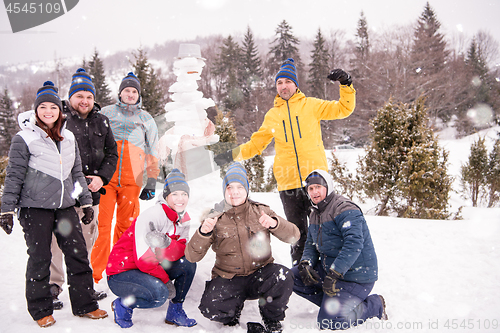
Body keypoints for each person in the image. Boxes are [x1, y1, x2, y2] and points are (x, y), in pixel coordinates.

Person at [214, 58, 356, 265]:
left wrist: (346, 84)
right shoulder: (273, 115)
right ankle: (300, 272)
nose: (283, 86)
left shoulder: (312, 106)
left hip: (315, 182)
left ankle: (329, 270)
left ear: (295, 84)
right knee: (296, 235)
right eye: (279, 83)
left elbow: (344, 109)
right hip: (288, 184)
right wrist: (230, 155)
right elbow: (256, 145)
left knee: (325, 230)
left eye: (287, 82)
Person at [0, 81, 108, 328]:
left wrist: (86, 202)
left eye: (53, 107)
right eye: (43, 107)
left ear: (60, 111)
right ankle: (41, 310)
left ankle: (86, 305)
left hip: (65, 207)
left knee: (78, 254)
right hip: (34, 208)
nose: (48, 111)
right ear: (36, 110)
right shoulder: (23, 139)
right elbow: (14, 175)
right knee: (40, 257)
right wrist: (6, 208)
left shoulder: (68, 137)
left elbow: (77, 172)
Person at [185, 162, 300, 333]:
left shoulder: (261, 211)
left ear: (246, 189)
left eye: (240, 187)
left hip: (260, 275)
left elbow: (294, 236)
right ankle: (232, 313)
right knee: (210, 308)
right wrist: (203, 232)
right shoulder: (214, 217)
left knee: (283, 276)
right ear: (224, 190)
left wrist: (275, 224)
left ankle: (271, 318)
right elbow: (191, 256)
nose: (235, 192)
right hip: (229, 277)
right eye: (230, 187)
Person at [49, 68, 118, 310]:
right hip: (64, 195)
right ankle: (53, 285)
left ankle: (83, 286)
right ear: (71, 97)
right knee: (57, 241)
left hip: (93, 194)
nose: (85, 101)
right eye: (80, 96)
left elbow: (112, 154)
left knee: (87, 241)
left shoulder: (102, 120)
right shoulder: (59, 118)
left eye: (89, 96)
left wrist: (101, 178)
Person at [291, 169, 387, 330]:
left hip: (356, 276)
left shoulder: (344, 209)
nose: (314, 192)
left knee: (329, 323)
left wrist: (335, 272)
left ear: (328, 187)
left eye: (318, 187)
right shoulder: (315, 212)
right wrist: (306, 263)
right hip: (331, 272)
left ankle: (374, 305)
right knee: (292, 277)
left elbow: (354, 243)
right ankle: (332, 304)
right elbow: (310, 244)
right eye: (310, 188)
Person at [91, 72, 160, 284]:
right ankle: (95, 273)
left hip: (132, 181)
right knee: (101, 225)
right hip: (105, 178)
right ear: (120, 93)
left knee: (126, 227)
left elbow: (153, 150)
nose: (130, 94)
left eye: (134, 91)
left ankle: (119, 269)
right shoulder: (106, 112)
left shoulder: (146, 119)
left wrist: (151, 180)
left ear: (138, 95)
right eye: (126, 90)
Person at [106, 169, 197, 328]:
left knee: (187, 264)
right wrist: (166, 281)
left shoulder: (184, 218)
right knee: (159, 294)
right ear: (166, 195)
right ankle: (123, 305)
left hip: (147, 268)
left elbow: (182, 250)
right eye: (175, 194)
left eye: (184, 194)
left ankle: (175, 312)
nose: (180, 199)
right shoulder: (152, 215)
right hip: (121, 273)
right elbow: (144, 260)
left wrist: (166, 243)